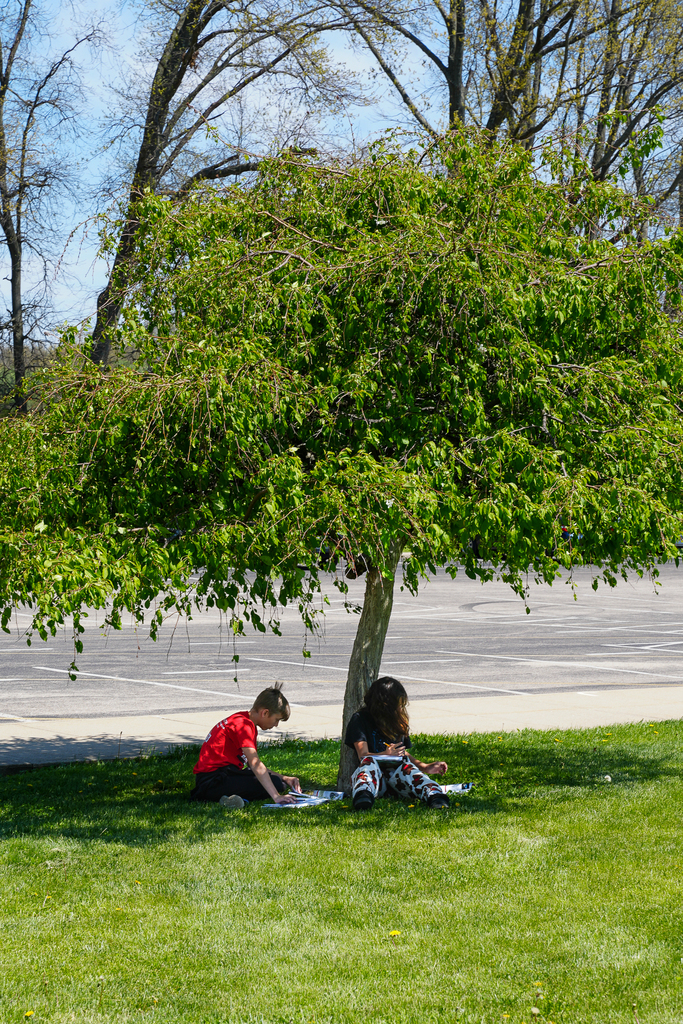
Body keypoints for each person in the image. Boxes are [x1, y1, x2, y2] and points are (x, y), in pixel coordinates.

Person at [344, 676, 450, 811]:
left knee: (408, 768)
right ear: (386, 705)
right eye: (399, 705)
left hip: (398, 781)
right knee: (368, 761)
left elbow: (403, 752)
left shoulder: (399, 722)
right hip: (376, 781)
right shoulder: (360, 719)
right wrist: (385, 754)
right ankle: (363, 796)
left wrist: (425, 767)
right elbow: (362, 755)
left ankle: (435, 796)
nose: (401, 709)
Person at [189, 684, 301, 808]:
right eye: (276, 719)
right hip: (213, 783)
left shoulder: (242, 718)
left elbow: (253, 766)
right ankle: (225, 799)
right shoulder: (244, 726)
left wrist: (285, 778)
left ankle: (231, 797)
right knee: (277, 784)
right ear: (265, 713)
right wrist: (276, 796)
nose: (276, 725)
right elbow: (255, 764)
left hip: (213, 779)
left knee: (278, 782)